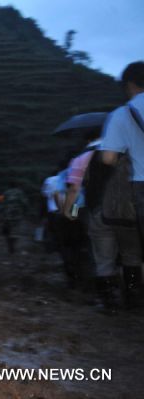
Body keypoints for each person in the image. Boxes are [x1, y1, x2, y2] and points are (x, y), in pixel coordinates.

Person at [63, 129, 141, 313]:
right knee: (132, 257)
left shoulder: (83, 158)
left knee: (104, 260)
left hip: (99, 213)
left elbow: (74, 190)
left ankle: (109, 302)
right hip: (129, 214)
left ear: (89, 138)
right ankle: (133, 299)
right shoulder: (129, 152)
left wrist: (69, 211)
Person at [100, 61, 144, 306]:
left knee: (133, 252)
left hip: (140, 185)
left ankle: (133, 299)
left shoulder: (123, 114)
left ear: (129, 85)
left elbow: (108, 158)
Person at [0, 182, 29, 254]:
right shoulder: (20, 193)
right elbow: (25, 203)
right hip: (17, 214)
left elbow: (1, 202)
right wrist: (25, 212)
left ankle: (9, 246)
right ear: (17, 186)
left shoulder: (5, 193)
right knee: (15, 230)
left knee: (8, 230)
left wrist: (2, 212)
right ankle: (13, 246)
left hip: (7, 214)